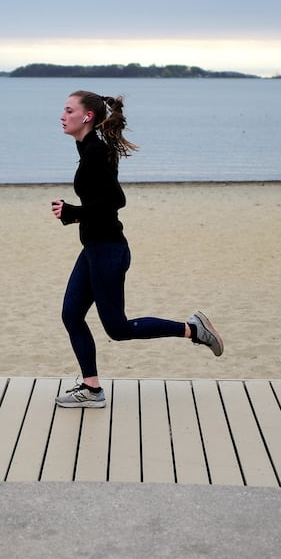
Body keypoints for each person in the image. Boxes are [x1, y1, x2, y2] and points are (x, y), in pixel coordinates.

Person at [49, 90, 223, 409]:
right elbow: (100, 200)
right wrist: (76, 213)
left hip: (108, 251)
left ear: (86, 117)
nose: (62, 115)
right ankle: (91, 388)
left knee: (117, 328)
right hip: (94, 249)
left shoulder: (96, 153)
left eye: (68, 110)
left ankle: (193, 330)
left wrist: (74, 212)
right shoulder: (87, 148)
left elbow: (116, 201)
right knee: (71, 315)